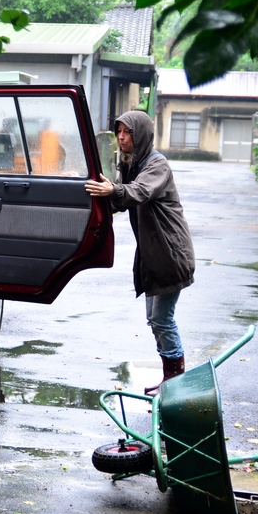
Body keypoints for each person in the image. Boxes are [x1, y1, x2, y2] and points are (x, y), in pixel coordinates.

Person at [85, 110, 195, 395]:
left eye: (128, 133)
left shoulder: (156, 165)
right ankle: (170, 377)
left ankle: (176, 380)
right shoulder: (132, 164)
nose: (121, 138)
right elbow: (122, 199)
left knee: (162, 318)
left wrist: (114, 192)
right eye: (119, 132)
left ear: (141, 135)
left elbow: (138, 192)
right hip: (152, 254)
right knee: (155, 318)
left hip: (171, 253)